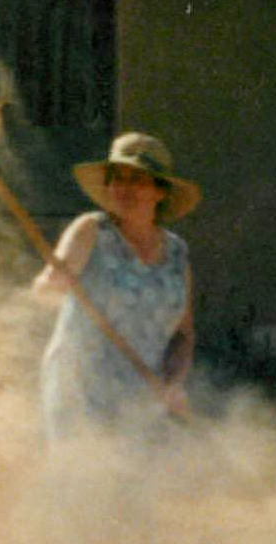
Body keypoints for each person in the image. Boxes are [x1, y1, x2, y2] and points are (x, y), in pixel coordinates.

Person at [33, 131, 199, 442]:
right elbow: (44, 287)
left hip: (141, 395)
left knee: (139, 486)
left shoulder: (177, 253)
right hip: (79, 390)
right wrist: (54, 284)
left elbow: (183, 333)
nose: (124, 188)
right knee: (87, 484)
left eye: (137, 179)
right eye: (117, 177)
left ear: (160, 190)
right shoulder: (91, 231)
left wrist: (173, 383)